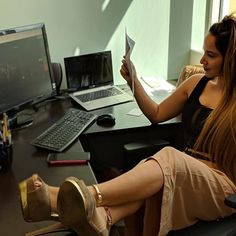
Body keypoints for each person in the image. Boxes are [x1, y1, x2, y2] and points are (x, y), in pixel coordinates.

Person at [18, 14, 236, 236]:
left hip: (221, 189)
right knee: (150, 173)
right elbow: (157, 114)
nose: (202, 61)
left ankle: (74, 198)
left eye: (211, 55)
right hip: (188, 174)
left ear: (230, 59)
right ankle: (105, 216)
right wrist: (134, 80)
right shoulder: (197, 83)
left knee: (168, 158)